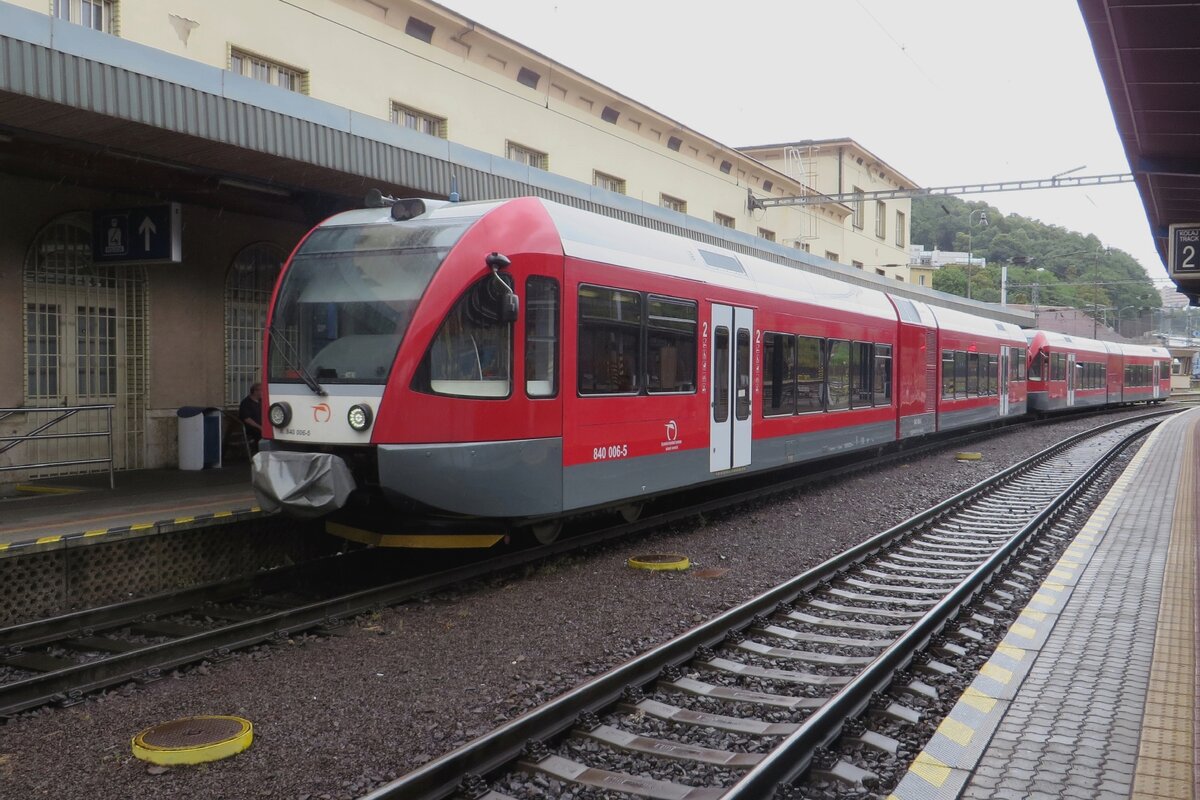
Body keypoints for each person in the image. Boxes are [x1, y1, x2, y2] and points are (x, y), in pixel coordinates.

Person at [239, 383, 263, 451]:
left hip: (261, 426)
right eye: (261, 390)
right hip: (251, 427)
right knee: (259, 433)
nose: (263, 392)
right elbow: (247, 419)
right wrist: (260, 427)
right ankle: (259, 452)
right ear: (255, 391)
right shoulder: (246, 403)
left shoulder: (261, 401)